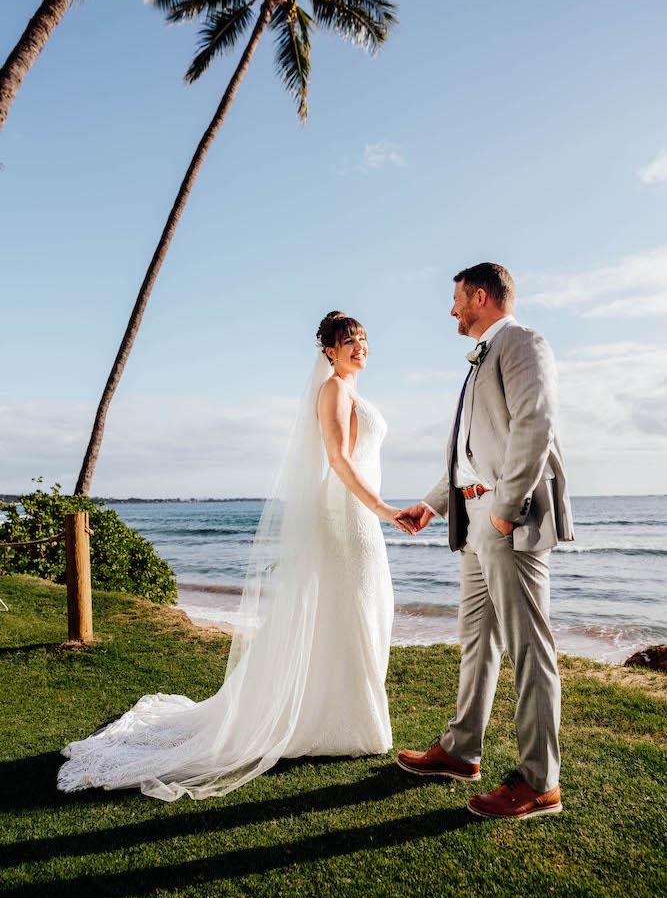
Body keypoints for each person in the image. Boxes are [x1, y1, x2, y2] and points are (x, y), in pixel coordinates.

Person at [57, 311, 413, 801]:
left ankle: (352, 718)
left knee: (363, 610)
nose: (359, 347)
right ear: (329, 350)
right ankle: (341, 725)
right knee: (352, 609)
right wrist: (385, 509)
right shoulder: (332, 390)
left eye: (364, 339)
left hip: (361, 514)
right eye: (349, 341)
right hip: (348, 514)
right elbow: (338, 460)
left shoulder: (354, 392)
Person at [395, 263, 574, 820]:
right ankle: (460, 750)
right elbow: (471, 453)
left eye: (456, 300)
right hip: (474, 519)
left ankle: (539, 782)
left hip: (505, 523)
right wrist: (433, 502)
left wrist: (503, 514)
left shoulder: (523, 342)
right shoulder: (479, 358)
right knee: (476, 642)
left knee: (528, 648)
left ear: (480, 296)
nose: (451, 310)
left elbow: (534, 425)